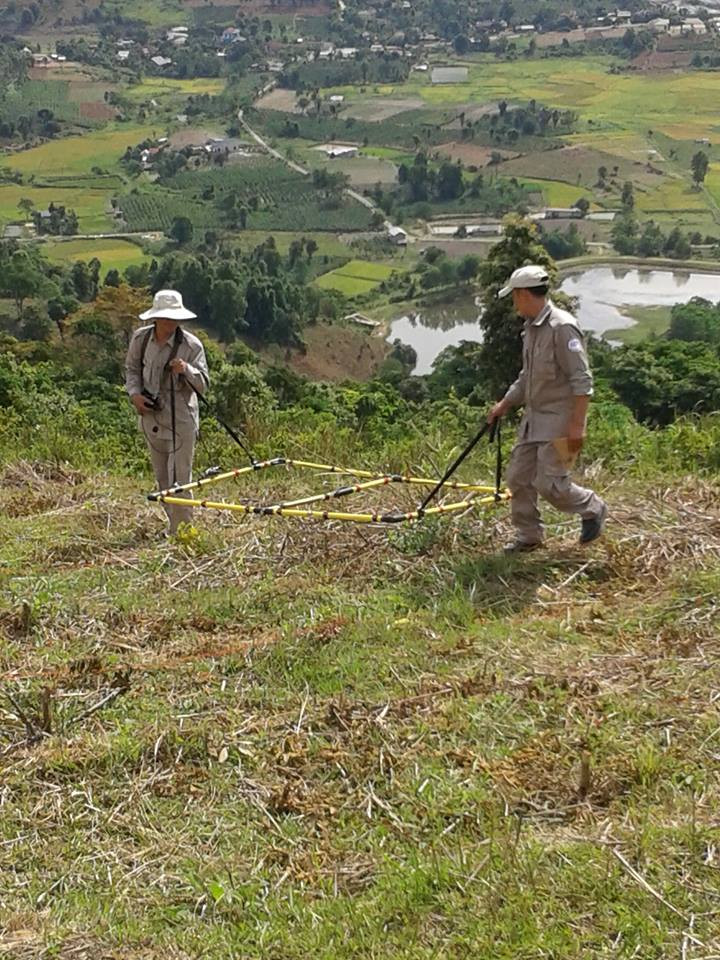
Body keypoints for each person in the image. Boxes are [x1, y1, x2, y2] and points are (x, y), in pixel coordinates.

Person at [488, 265, 607, 553]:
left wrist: (578, 427)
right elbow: (527, 376)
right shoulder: (531, 329)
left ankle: (593, 507)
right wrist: (504, 404)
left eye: (514, 297)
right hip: (534, 420)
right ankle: (529, 536)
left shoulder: (562, 327)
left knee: (550, 485)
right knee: (518, 477)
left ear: (524, 294)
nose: (514, 303)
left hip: (561, 422)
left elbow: (583, 381)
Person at [125, 289, 209, 535]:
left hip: (181, 418)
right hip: (151, 417)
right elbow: (131, 369)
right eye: (165, 317)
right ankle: (173, 526)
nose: (170, 322)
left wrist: (187, 371)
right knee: (162, 478)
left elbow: (203, 385)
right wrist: (135, 395)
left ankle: (182, 534)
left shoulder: (192, 346)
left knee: (180, 478)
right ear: (155, 318)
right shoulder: (140, 340)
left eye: (174, 318)